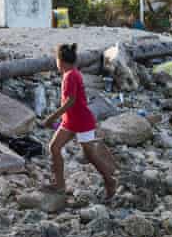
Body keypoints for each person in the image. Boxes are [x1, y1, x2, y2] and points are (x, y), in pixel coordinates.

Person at [42, 43, 118, 201]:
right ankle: (60, 185)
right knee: (54, 147)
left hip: (81, 121)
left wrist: (52, 117)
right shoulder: (71, 73)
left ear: (60, 61)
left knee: (90, 155)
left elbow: (70, 101)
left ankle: (110, 181)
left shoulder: (71, 75)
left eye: (56, 59)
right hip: (70, 121)